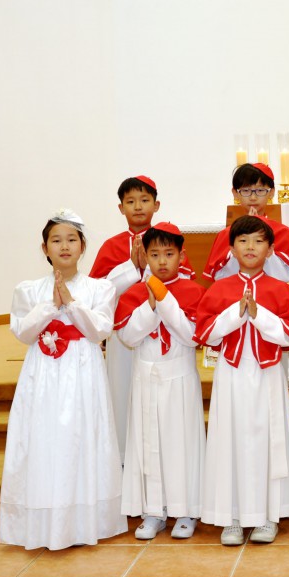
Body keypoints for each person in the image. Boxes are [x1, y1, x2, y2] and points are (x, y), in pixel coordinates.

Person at [0, 209, 126, 550]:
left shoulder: (100, 288)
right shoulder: (28, 290)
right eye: (56, 240)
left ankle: (82, 523)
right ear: (45, 248)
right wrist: (48, 307)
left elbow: (99, 330)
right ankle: (42, 521)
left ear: (83, 246)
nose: (65, 246)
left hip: (83, 371)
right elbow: (23, 333)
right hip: (42, 374)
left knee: (80, 436)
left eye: (72, 239)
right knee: (43, 436)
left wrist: (70, 303)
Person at [194, 215, 289, 545]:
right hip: (231, 373)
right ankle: (232, 515)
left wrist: (259, 315)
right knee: (230, 438)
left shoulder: (280, 290)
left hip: (267, 374)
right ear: (231, 249)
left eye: (259, 241)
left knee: (267, 439)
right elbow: (206, 333)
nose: (250, 247)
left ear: (270, 250)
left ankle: (268, 515)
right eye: (243, 241)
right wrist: (235, 313)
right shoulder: (220, 289)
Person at [113, 223, 206, 540]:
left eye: (169, 254)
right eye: (154, 255)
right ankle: (154, 511)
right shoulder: (134, 294)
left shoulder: (194, 291)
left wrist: (166, 301)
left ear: (182, 255)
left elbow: (192, 337)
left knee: (181, 443)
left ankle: (186, 510)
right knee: (148, 442)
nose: (162, 261)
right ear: (145, 256)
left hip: (179, 377)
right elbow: (128, 337)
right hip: (146, 376)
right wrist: (151, 306)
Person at [89, 175, 193, 457]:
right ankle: (125, 456)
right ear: (120, 207)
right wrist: (131, 268)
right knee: (123, 392)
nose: (138, 207)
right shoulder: (111, 246)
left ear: (156, 205)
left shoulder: (169, 240)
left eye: (144, 200)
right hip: (126, 333)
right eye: (131, 201)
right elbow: (97, 293)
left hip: (165, 334)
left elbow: (184, 283)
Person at [204, 163, 289, 283]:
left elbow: (286, 275)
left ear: (271, 192)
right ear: (235, 193)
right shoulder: (225, 234)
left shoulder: (284, 232)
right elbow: (221, 277)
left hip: (272, 292)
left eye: (260, 190)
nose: (253, 197)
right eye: (246, 190)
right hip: (236, 292)